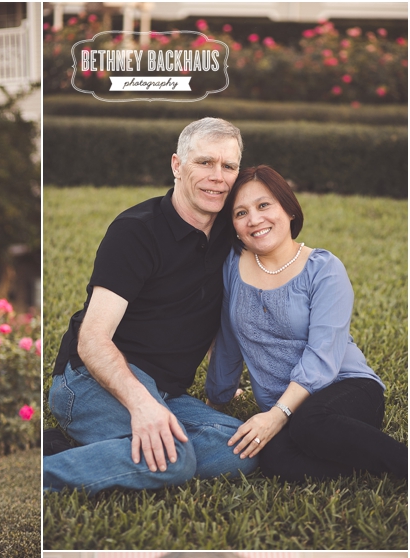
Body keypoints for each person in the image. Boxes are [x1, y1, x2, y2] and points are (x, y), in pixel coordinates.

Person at [44, 118, 259, 494]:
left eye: (229, 166)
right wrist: (142, 405)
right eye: (205, 163)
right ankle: (46, 473)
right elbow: (93, 340)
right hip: (90, 380)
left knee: (241, 449)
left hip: (168, 390)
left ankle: (115, 449)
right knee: (174, 457)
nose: (218, 177)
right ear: (177, 165)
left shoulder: (231, 230)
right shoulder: (135, 232)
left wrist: (224, 381)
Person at [205, 165, 408, 481]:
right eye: (240, 212)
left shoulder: (324, 269)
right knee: (274, 459)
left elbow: (322, 358)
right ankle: (361, 461)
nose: (254, 219)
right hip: (290, 411)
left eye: (263, 205)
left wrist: (276, 415)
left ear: (288, 208)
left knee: (309, 422)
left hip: (345, 387)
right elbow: (229, 339)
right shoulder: (233, 265)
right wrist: (216, 399)